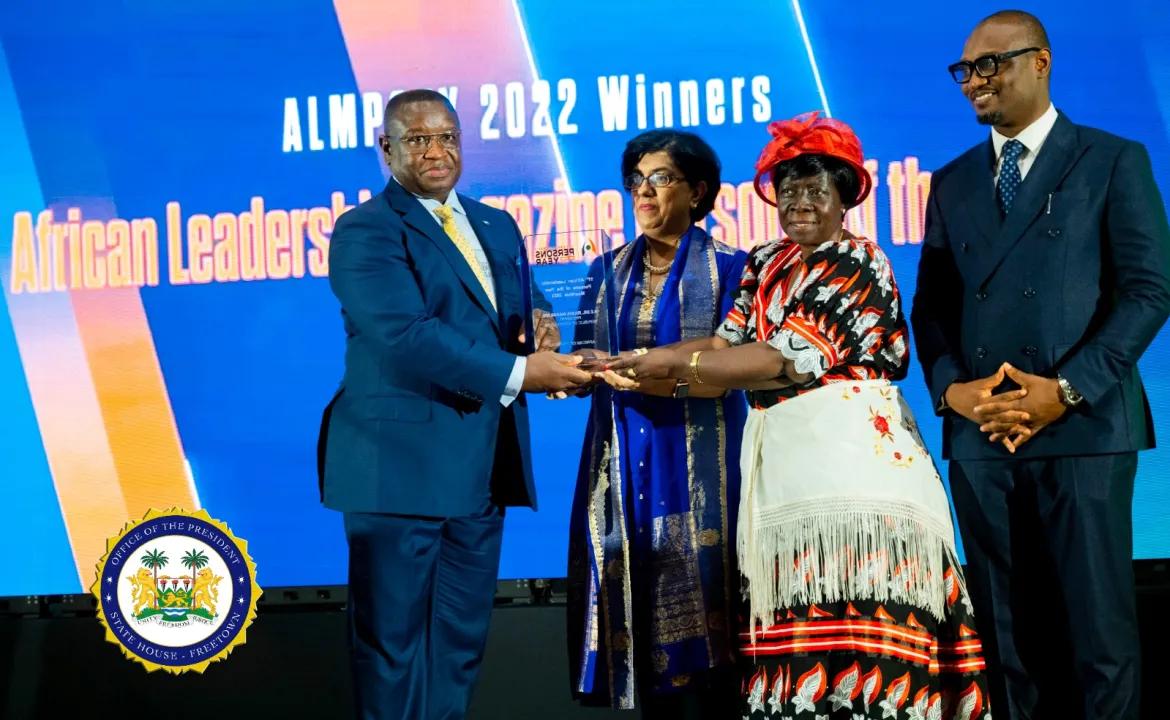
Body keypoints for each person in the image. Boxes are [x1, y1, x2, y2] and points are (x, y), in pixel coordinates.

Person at [609, 112, 991, 719]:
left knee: (869, 649)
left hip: (859, 491)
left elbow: (781, 361)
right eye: (788, 190)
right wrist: (635, 362)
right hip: (786, 484)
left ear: (845, 198)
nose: (800, 202)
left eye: (816, 189)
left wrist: (672, 367)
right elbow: (725, 343)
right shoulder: (766, 262)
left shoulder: (859, 261)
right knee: (796, 649)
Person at [911, 11, 1170, 720]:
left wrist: (1067, 388)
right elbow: (931, 309)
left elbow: (1149, 290)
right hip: (982, 437)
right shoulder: (952, 181)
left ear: (1041, 62)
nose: (975, 81)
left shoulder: (1111, 159)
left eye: (990, 64)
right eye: (965, 70)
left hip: (1084, 430)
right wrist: (953, 394)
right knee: (1005, 639)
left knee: (1098, 636)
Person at [317, 88, 593, 720]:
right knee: (392, 648)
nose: (436, 151)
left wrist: (543, 330)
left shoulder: (496, 224)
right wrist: (522, 372)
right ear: (386, 148)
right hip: (397, 470)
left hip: (480, 469)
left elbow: (520, 308)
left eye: (447, 137)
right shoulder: (366, 229)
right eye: (417, 139)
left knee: (459, 646)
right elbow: (405, 334)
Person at [565, 129, 748, 715]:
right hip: (621, 460)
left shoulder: (733, 269)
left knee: (714, 631)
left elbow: (732, 365)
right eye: (636, 180)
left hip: (703, 461)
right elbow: (584, 359)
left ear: (698, 191)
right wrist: (564, 364)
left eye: (661, 179)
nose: (643, 192)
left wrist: (649, 372)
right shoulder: (604, 269)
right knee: (636, 614)